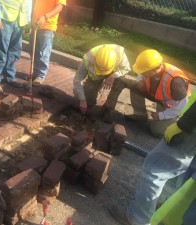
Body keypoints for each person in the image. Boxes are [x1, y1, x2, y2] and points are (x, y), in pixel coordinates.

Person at [108, 97, 196, 225]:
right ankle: (167, 209)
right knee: (188, 178)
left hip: (192, 129)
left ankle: (138, 218)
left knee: (155, 170)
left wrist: (184, 125)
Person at [125, 49, 189, 137]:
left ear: (155, 70)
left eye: (143, 72)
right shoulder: (153, 68)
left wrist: (162, 115)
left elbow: (182, 105)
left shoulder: (175, 83)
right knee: (134, 86)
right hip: (157, 97)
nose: (141, 74)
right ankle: (140, 115)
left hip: (170, 107)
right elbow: (142, 72)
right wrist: (140, 80)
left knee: (156, 131)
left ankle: (173, 124)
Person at [73, 44, 131, 121]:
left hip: (113, 74)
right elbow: (77, 79)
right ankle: (92, 97)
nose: (103, 72)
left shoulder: (121, 57)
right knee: (88, 100)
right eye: (100, 69)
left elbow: (126, 69)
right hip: (95, 76)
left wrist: (113, 76)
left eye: (105, 70)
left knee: (121, 81)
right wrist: (83, 100)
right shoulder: (88, 58)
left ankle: (108, 108)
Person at [0, 0, 32, 93]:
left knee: (15, 50)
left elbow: (28, 2)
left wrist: (28, 21)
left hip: (20, 20)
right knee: (1, 50)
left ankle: (9, 77)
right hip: (4, 18)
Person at [29, 0, 66, 86]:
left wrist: (45, 17)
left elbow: (60, 7)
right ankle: (35, 73)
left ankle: (41, 75)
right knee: (34, 51)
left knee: (43, 53)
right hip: (36, 24)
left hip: (47, 26)